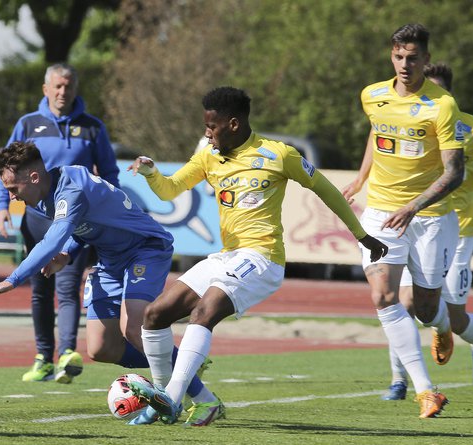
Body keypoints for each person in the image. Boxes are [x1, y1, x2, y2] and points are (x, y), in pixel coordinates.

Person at [125, 86, 388, 426]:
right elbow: (170, 189)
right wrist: (150, 172)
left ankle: (172, 399)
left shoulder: (279, 154)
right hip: (227, 256)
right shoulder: (208, 155)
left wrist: (362, 236)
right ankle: (185, 399)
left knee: (204, 312)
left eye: (212, 126)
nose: (206, 133)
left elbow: (326, 191)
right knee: (155, 315)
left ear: (233, 124)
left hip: (263, 259)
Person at [0, 141, 216, 423]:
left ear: (33, 177)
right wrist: (67, 253)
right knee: (101, 348)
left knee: (134, 327)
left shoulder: (70, 190)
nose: (12, 196)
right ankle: (183, 364)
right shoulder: (47, 194)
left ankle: (204, 400)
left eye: (13, 189)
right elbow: (83, 227)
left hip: (145, 249)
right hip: (109, 259)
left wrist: (14, 278)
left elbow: (52, 239)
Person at [341, 24, 465, 418]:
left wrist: (413, 205)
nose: (405, 64)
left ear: (426, 60)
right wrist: (361, 178)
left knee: (426, 306)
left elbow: (454, 173)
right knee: (383, 296)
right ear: (390, 56)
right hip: (379, 212)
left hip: (429, 218)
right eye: (398, 56)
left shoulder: (443, 106)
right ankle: (426, 390)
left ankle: (441, 324)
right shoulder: (372, 95)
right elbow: (378, 135)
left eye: (413, 57)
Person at [364, 63, 473, 400]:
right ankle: (399, 380)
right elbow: (376, 136)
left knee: (453, 318)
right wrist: (361, 178)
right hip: (408, 221)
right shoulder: (399, 112)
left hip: (455, 229)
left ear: (446, 95)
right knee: (400, 300)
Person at [0, 63, 119, 383]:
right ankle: (43, 357)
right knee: (40, 289)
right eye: (58, 87)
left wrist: (106, 208)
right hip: (36, 219)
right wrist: (1, 205)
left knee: (67, 285)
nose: (63, 92)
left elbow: (109, 173)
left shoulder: (92, 128)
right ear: (46, 89)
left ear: (75, 89)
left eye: (68, 87)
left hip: (75, 220)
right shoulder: (28, 124)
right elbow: (7, 168)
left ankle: (66, 354)